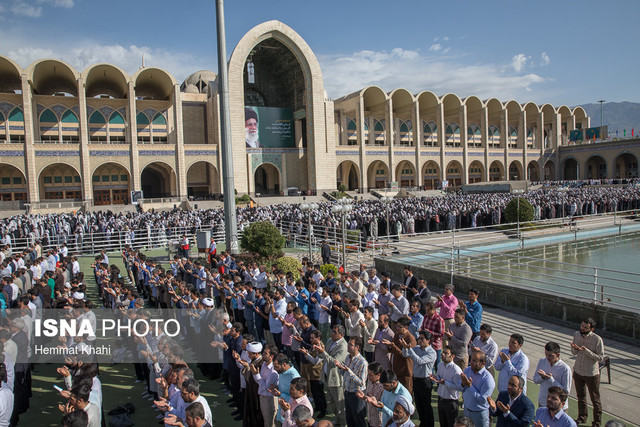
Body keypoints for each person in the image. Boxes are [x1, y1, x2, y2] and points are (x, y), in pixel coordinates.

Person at [571, 317, 604, 427]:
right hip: (578, 371)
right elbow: (574, 352)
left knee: (595, 399)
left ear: (592, 329)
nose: (583, 329)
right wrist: (575, 348)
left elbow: (600, 358)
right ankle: (582, 417)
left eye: (586, 328)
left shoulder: (597, 339)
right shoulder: (576, 334)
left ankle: (597, 422)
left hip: (591, 373)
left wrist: (586, 351)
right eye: (582, 326)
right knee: (581, 396)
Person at [314, 324, 347, 427]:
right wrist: (319, 350)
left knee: (340, 405)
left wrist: (323, 352)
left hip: (336, 379)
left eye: (334, 332)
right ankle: (337, 420)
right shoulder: (330, 341)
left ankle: (343, 423)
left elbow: (334, 362)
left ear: (341, 334)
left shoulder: (343, 346)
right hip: (328, 376)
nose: (332, 334)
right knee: (332, 402)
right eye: (332, 331)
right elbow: (323, 355)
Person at [401, 330, 436, 427]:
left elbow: (420, 361)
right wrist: (405, 348)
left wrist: (410, 349)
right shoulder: (416, 348)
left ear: (428, 340)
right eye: (419, 338)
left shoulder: (431, 352)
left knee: (426, 405)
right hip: (416, 380)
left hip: (425, 381)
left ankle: (429, 424)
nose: (419, 341)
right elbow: (405, 354)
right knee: (419, 405)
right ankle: (423, 423)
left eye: (422, 339)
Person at [335, 337, 367, 427]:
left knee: (359, 421)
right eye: (348, 344)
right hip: (347, 393)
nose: (348, 346)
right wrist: (340, 368)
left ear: (357, 347)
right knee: (350, 420)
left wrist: (348, 371)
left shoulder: (362, 362)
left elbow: (362, 382)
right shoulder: (348, 357)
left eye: (350, 344)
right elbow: (345, 374)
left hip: (357, 396)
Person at [533, 341, 572, 410]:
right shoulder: (542, 361)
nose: (547, 357)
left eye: (550, 355)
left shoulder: (565, 369)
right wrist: (542, 377)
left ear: (558, 355)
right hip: (543, 403)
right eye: (546, 354)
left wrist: (550, 379)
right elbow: (535, 380)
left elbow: (566, 391)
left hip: (558, 407)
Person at [460, 351, 495, 427]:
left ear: (483, 363)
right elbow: (461, 388)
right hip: (467, 410)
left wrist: (470, 386)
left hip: (479, 414)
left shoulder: (488, 379)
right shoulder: (468, 370)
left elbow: (482, 400)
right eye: (471, 359)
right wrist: (463, 384)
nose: (471, 362)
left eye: (475, 361)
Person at [430, 345, 462, 427]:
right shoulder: (440, 365)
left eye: (446, 353)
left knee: (451, 424)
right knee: (443, 423)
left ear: (452, 356)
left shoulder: (456, 370)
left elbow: (459, 387)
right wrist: (435, 378)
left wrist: (445, 383)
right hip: (441, 400)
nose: (443, 354)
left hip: (451, 402)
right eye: (443, 352)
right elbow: (439, 377)